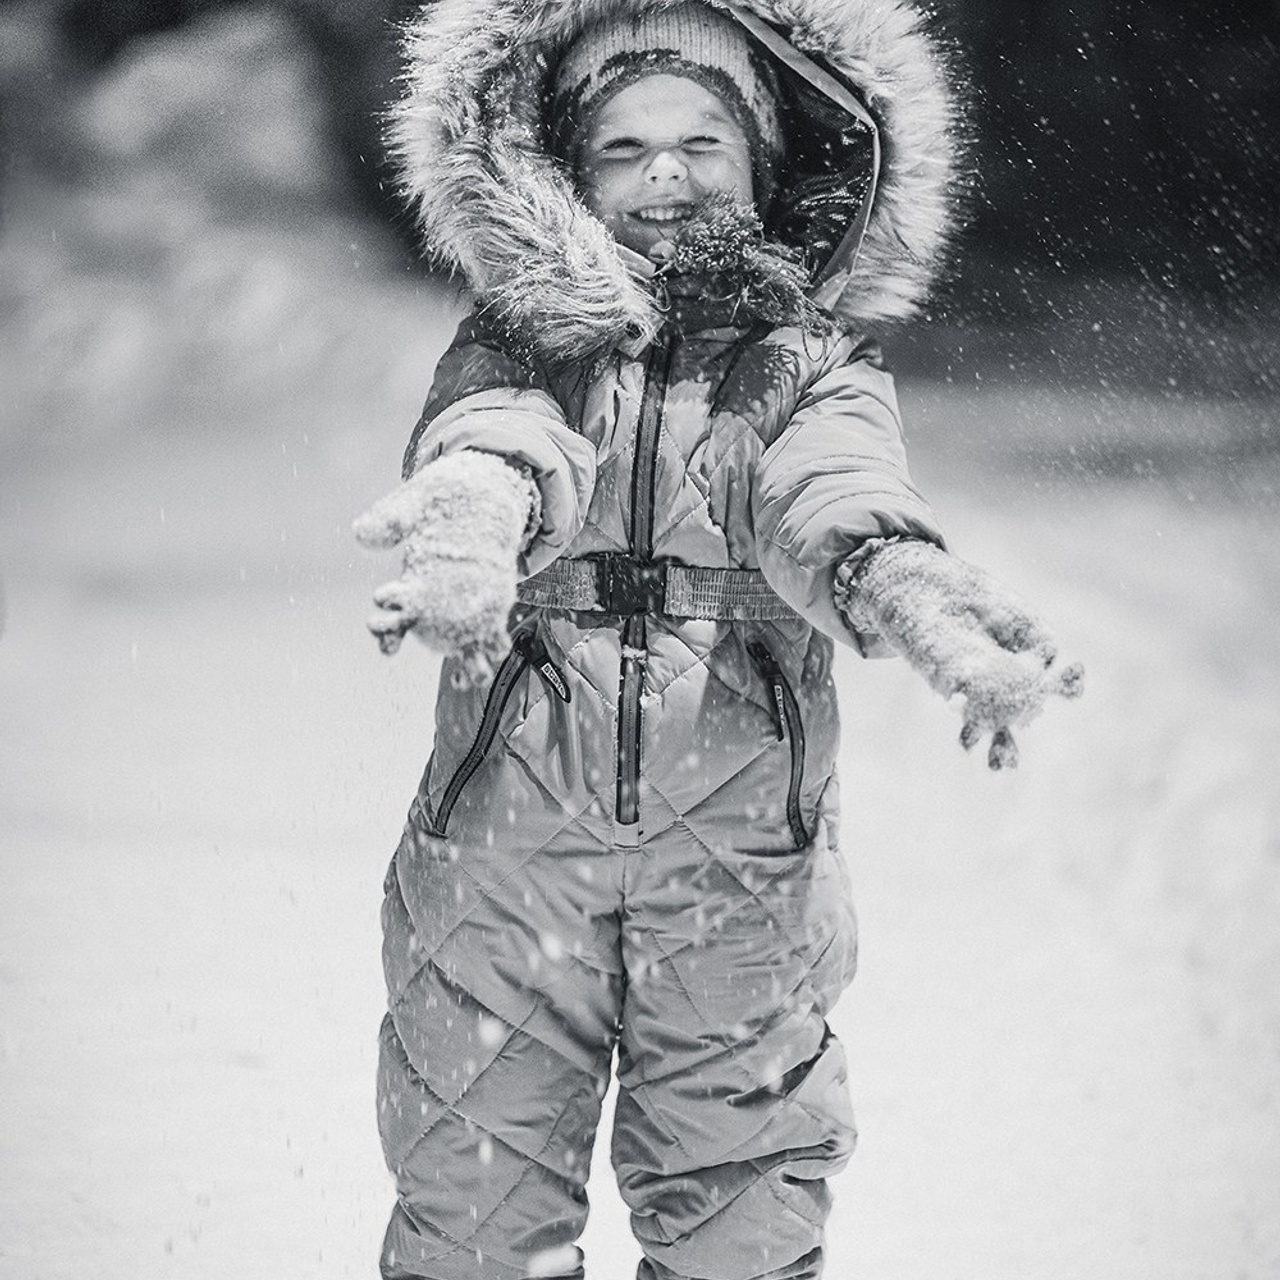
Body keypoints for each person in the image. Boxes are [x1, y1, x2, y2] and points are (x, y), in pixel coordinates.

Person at [353, 2, 1083, 1278]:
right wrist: (471, 511)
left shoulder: (808, 364)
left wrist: (901, 579)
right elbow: (499, 434)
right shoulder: (520, 336)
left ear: (764, 161)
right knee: (470, 1211)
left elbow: (829, 487)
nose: (665, 177)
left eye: (701, 142)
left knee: (743, 1206)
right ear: (561, 178)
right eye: (622, 149)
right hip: (499, 862)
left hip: (741, 864)